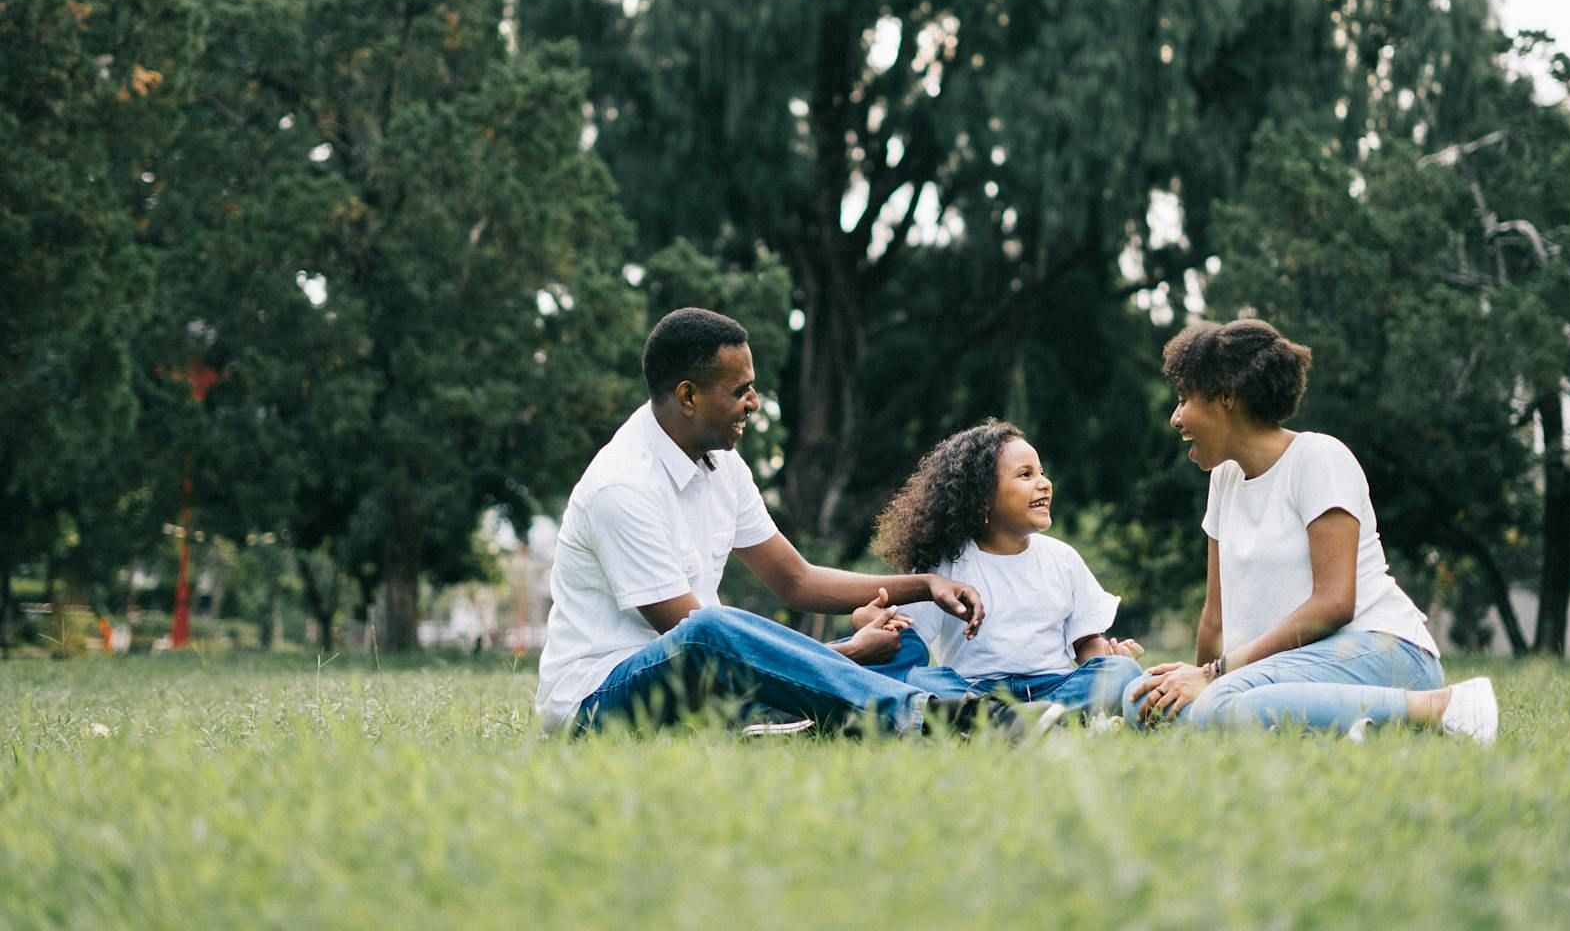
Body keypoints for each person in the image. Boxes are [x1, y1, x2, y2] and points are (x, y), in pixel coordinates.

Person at [535, 307, 1017, 737]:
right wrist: (843, 656)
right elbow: (697, 643)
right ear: (688, 396)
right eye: (740, 390)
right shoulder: (621, 487)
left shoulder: (722, 464)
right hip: (599, 701)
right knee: (710, 627)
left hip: (702, 683)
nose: (756, 402)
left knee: (900, 648)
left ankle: (999, 708)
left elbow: (797, 581)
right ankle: (923, 716)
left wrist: (925, 584)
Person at [1128, 319, 1498, 743]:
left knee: (1221, 703)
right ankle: (1348, 726)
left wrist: (1215, 677)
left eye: (1182, 399)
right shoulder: (1224, 480)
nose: (1176, 417)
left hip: (1379, 650)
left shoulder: (1318, 458)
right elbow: (1216, 618)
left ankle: (1442, 706)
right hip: (1287, 668)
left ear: (1226, 396)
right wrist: (1192, 683)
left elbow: (1334, 603)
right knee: (1141, 702)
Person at [869, 421, 1146, 719]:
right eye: (1026, 475)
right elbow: (910, 641)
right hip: (974, 693)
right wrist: (874, 622)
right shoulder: (945, 564)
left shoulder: (1063, 558)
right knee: (919, 680)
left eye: (1042, 472)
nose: (1043, 483)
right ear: (981, 500)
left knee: (1122, 671)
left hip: (1052, 685)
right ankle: (1009, 718)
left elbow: (1086, 642)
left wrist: (1105, 659)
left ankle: (1031, 718)